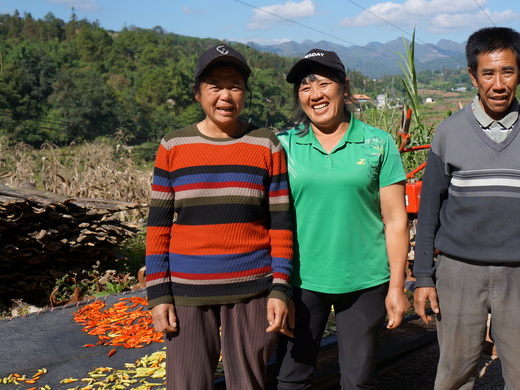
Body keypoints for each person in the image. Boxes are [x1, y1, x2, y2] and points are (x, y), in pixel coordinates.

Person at [413, 27, 520, 390]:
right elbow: (429, 210)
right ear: (472, 76)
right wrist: (423, 277)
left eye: (508, 71)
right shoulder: (448, 133)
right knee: (454, 370)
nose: (498, 84)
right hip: (458, 272)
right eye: (488, 73)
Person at [145, 43, 293, 390]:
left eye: (235, 85)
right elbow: (158, 228)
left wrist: (280, 290)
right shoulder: (173, 146)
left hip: (253, 289)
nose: (226, 95)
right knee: (187, 383)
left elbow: (282, 225)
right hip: (188, 292)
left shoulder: (266, 144)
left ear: (245, 93)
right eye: (215, 85)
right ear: (198, 93)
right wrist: (158, 296)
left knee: (249, 382)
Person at [274, 48, 410, 390]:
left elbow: (396, 220)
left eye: (323, 83)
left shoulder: (378, 143)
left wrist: (396, 287)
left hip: (365, 281)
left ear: (344, 87)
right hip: (301, 283)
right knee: (291, 379)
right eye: (305, 86)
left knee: (359, 380)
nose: (315, 93)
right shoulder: (284, 147)